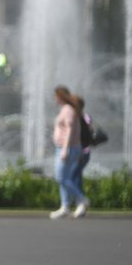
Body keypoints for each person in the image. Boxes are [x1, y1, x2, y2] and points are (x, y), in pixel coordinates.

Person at [50, 85, 89, 219]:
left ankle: (81, 199)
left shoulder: (68, 110)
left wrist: (65, 149)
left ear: (60, 96)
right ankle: (65, 206)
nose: (54, 99)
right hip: (66, 148)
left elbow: (70, 129)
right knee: (63, 178)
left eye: (55, 96)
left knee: (61, 177)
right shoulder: (67, 109)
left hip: (68, 148)